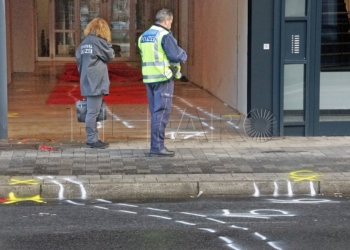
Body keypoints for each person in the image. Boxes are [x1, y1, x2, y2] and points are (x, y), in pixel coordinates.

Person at [138, 9, 187, 157]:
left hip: (149, 78)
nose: (170, 25)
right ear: (166, 21)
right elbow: (176, 54)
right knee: (161, 113)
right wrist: (183, 55)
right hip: (163, 78)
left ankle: (156, 146)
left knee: (155, 112)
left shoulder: (143, 36)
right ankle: (157, 147)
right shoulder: (164, 35)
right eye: (170, 22)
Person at [76, 18, 115, 149]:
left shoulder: (84, 43)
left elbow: (78, 60)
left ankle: (94, 138)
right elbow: (110, 55)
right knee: (93, 112)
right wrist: (108, 44)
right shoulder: (99, 42)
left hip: (86, 80)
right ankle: (92, 139)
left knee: (91, 110)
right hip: (96, 81)